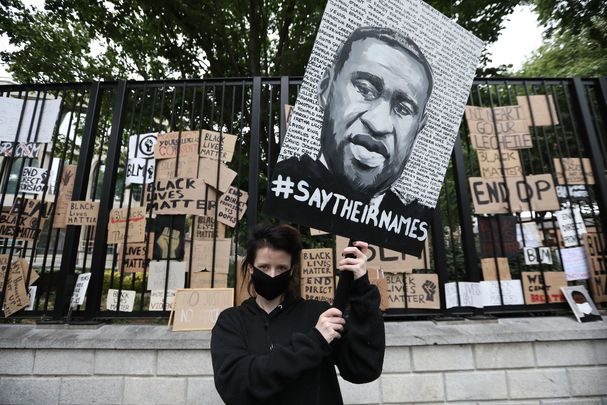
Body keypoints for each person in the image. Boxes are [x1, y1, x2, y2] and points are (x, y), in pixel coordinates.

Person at [265, 27, 434, 254]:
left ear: (419, 128)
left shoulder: (411, 221)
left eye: (403, 109)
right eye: (365, 89)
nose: (379, 124)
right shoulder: (286, 186)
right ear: (326, 88)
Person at [211, 224, 385, 405]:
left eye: (281, 268)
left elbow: (363, 368)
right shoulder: (231, 322)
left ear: (292, 270)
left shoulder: (319, 315)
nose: (272, 275)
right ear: (251, 269)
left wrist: (362, 289)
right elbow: (236, 387)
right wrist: (314, 341)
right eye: (264, 267)